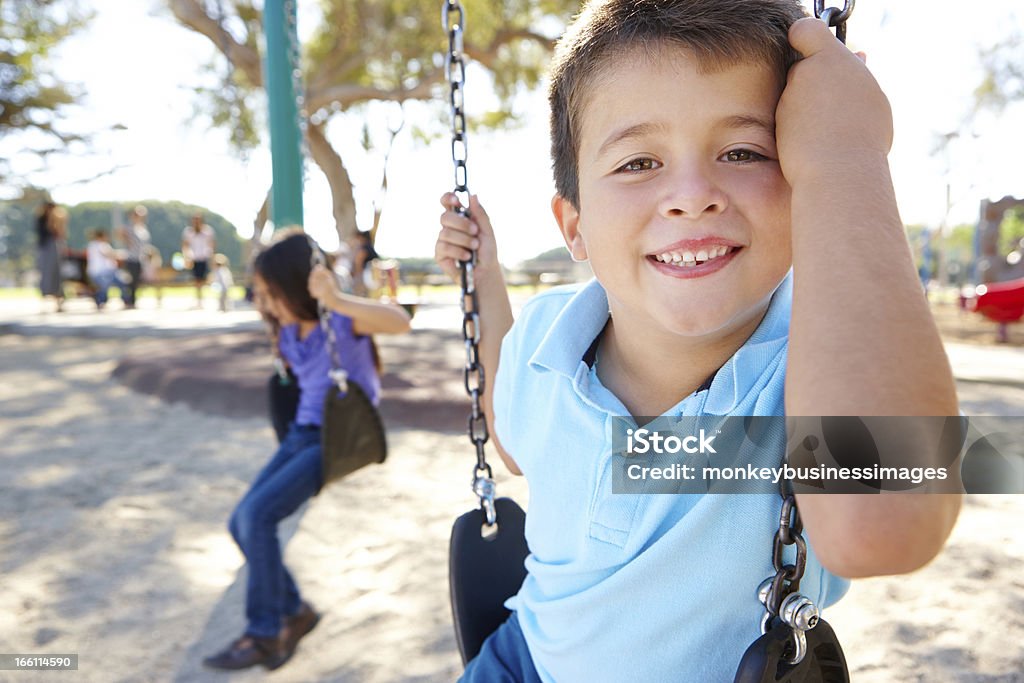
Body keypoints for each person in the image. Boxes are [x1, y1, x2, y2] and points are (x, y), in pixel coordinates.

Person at [434, 1, 961, 681]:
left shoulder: (817, 371)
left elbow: (887, 524)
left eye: (743, 152)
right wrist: (485, 278)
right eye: (638, 162)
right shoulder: (546, 336)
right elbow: (516, 434)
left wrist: (848, 160)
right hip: (521, 661)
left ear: (805, 183)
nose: (691, 195)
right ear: (575, 227)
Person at [202, 229, 411, 671]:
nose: (261, 299)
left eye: (268, 291)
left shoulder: (340, 321)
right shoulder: (289, 329)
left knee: (258, 516)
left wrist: (335, 299)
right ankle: (296, 611)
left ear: (296, 286)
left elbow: (399, 322)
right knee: (241, 522)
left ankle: (264, 633)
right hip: (301, 434)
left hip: (335, 439)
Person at [118, 205, 151, 309]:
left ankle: (132, 300)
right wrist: (127, 241)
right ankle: (129, 300)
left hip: (141, 257)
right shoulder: (129, 226)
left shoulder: (142, 227)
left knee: (137, 280)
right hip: (131, 257)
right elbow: (119, 233)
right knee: (131, 280)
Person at [35, 201, 66, 312]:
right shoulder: (43, 219)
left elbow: (61, 234)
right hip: (47, 248)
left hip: (52, 247)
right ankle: (47, 300)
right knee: (48, 274)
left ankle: (58, 300)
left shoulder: (54, 219)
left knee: (55, 274)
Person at [85, 229, 127, 309]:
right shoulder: (98, 245)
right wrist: (122, 254)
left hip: (109, 272)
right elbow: (109, 254)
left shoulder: (100, 245)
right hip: (100, 273)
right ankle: (101, 301)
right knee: (105, 285)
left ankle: (126, 300)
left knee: (122, 282)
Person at [182, 213, 216, 308]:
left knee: (203, 279)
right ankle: (198, 299)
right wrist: (186, 257)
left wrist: (212, 257)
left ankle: (201, 299)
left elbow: (211, 244)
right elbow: (185, 245)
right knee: (196, 279)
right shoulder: (188, 232)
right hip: (193, 259)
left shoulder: (208, 231)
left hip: (204, 258)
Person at [349, 230, 379, 297]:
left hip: (368, 274)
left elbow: (358, 261)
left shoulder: (365, 247)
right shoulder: (369, 246)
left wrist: (357, 274)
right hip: (371, 274)